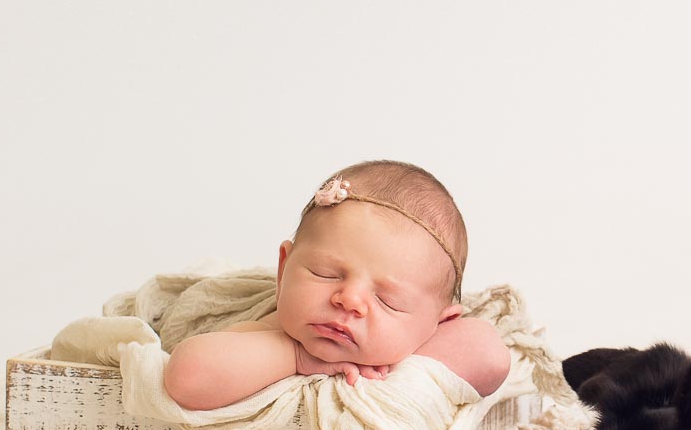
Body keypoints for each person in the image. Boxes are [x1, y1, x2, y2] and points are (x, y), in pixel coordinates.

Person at [163, 161, 511, 410]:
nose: (349, 300)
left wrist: (390, 359)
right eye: (325, 273)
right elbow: (185, 378)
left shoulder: (417, 348)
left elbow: (490, 356)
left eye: (388, 300)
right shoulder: (267, 333)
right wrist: (297, 357)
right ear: (284, 270)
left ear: (439, 323)